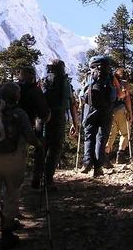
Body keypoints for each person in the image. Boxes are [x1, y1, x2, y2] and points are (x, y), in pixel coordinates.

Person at [0, 82, 43, 250]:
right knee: (11, 195)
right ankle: (6, 233)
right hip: (11, 160)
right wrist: (40, 144)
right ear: (16, 96)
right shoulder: (19, 113)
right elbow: (29, 137)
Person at [79, 55, 121, 177]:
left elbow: (82, 94)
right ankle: (98, 168)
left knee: (89, 135)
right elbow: (118, 94)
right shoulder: (110, 77)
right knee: (101, 137)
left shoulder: (88, 76)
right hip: (106, 109)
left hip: (90, 108)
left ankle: (86, 163)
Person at [41, 59, 77, 190]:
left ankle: (36, 179)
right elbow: (71, 102)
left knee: (43, 147)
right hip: (58, 116)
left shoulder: (44, 80)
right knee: (55, 148)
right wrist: (75, 123)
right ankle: (48, 180)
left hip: (43, 116)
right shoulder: (64, 81)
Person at [16, 66, 51, 189]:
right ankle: (36, 178)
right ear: (32, 76)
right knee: (39, 147)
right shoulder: (34, 90)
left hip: (7, 128)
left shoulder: (13, 88)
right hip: (27, 126)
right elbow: (44, 113)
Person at [104, 68, 133, 165]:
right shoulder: (124, 83)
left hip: (109, 111)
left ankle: (105, 156)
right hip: (121, 110)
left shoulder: (108, 83)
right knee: (125, 133)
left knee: (110, 135)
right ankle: (120, 156)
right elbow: (127, 99)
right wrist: (130, 112)